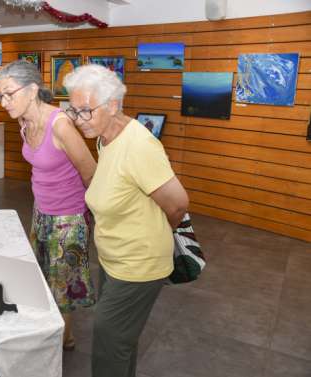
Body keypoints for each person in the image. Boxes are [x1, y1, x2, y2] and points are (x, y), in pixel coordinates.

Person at [63, 64, 189, 377]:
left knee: (108, 348)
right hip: (113, 259)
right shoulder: (104, 138)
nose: (78, 121)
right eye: (73, 111)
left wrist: (152, 235)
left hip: (138, 265)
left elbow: (178, 205)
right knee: (120, 342)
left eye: (85, 111)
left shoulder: (140, 145)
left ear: (113, 105)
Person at [0, 60, 97, 350]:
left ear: (32, 89)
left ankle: (59, 346)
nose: (3, 103)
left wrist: (99, 219)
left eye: (9, 94)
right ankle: (58, 334)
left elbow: (91, 172)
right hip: (42, 211)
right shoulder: (23, 119)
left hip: (69, 217)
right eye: (0, 96)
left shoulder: (61, 125)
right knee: (42, 276)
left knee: (62, 286)